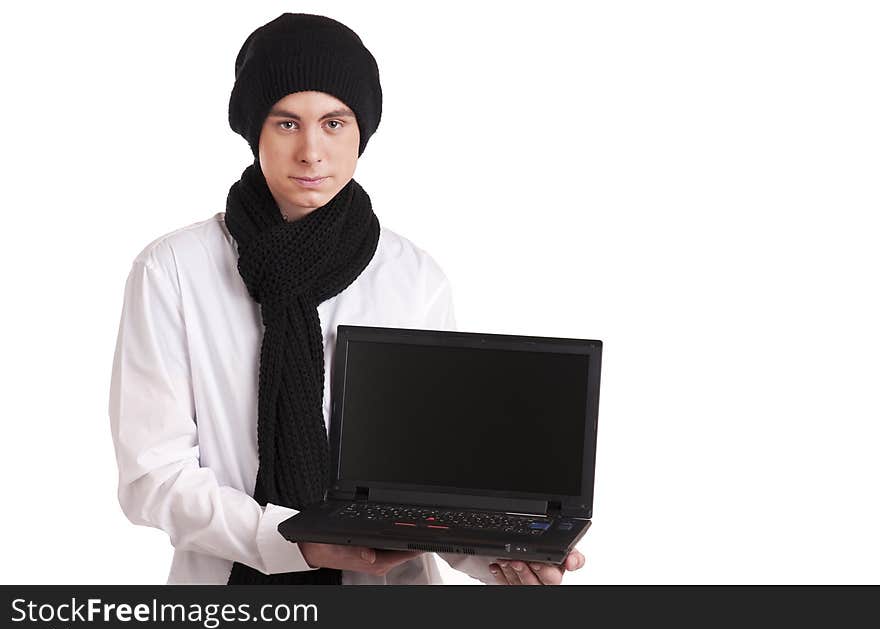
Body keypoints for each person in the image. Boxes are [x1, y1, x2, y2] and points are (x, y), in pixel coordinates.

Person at [108, 12, 585, 585]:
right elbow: (153, 477)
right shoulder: (174, 271)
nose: (312, 151)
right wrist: (295, 544)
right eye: (287, 124)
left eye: (334, 123)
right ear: (254, 129)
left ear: (362, 132)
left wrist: (502, 556)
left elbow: (429, 479)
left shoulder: (412, 277)